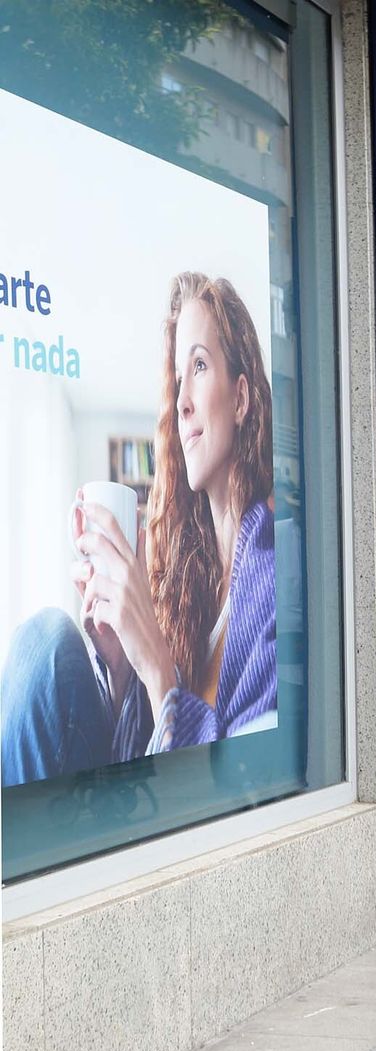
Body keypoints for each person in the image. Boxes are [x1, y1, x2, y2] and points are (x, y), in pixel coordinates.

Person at [2, 272, 276, 785]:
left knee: (46, 643)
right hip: (142, 805)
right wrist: (123, 663)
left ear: (241, 399)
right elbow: (138, 759)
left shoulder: (268, 561)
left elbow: (242, 783)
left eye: (199, 366)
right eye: (177, 383)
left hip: (198, 828)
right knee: (47, 639)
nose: (183, 403)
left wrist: (154, 664)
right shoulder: (186, 578)